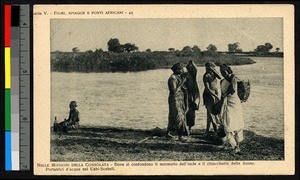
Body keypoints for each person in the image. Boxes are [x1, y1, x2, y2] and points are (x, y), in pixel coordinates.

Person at [219, 64, 244, 154]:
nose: (222, 73)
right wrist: (220, 103)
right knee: (228, 124)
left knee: (238, 124)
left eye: (224, 71)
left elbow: (233, 90)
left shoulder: (233, 78)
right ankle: (234, 146)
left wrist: (225, 95)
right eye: (221, 72)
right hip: (227, 103)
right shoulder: (222, 81)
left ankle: (237, 146)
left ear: (228, 70)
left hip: (235, 103)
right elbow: (222, 95)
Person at [166, 63, 190, 141]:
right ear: (176, 70)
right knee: (178, 116)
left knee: (174, 115)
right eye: (180, 69)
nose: (181, 71)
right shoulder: (172, 78)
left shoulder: (177, 77)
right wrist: (183, 81)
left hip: (179, 98)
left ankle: (168, 133)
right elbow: (174, 90)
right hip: (174, 99)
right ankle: (180, 136)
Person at [202, 62, 222, 136]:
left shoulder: (213, 74)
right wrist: (216, 96)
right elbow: (207, 89)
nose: (207, 69)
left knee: (211, 113)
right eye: (207, 67)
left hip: (215, 93)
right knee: (211, 113)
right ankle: (215, 130)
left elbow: (220, 77)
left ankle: (207, 130)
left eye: (209, 67)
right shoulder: (206, 76)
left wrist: (213, 70)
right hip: (209, 95)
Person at [183, 60, 200, 133]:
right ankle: (187, 128)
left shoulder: (192, 75)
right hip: (189, 94)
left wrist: (192, 63)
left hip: (192, 94)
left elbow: (196, 69)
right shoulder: (186, 75)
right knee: (189, 111)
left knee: (190, 111)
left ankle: (188, 128)